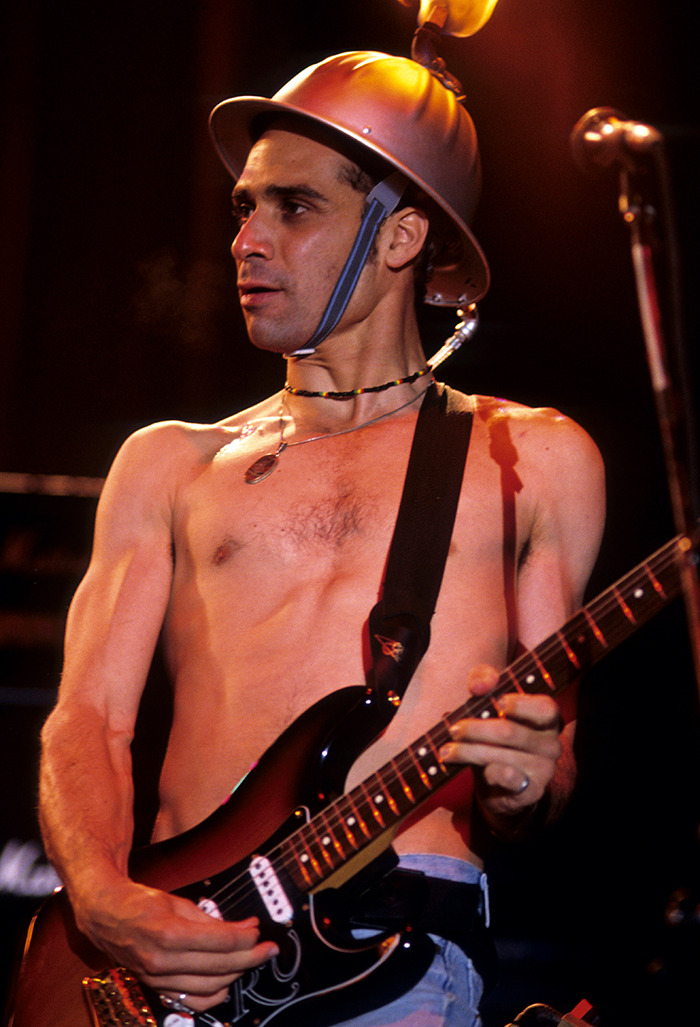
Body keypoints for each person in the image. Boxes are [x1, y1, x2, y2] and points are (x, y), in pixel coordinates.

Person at [38, 50, 605, 1027]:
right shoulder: (169, 462)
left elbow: (545, 766)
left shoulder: (530, 456)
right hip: (172, 971)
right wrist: (103, 898)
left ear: (402, 237)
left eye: (292, 207)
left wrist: (523, 780)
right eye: (243, 207)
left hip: (394, 953)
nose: (247, 240)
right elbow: (86, 718)